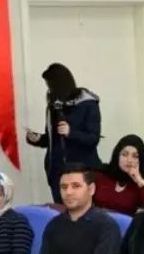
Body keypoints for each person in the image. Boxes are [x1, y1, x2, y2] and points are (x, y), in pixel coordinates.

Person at [25, 62, 102, 203]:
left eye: (51, 85)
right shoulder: (54, 106)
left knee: (82, 214)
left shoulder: (88, 104)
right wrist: (36, 139)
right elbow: (52, 139)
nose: (49, 90)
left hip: (81, 171)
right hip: (57, 172)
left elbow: (93, 138)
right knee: (62, 215)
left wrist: (71, 133)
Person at [93, 135, 144, 215]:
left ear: (140, 160)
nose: (129, 160)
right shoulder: (101, 175)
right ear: (117, 155)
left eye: (135, 156)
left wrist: (139, 180)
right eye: (125, 154)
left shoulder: (141, 184)